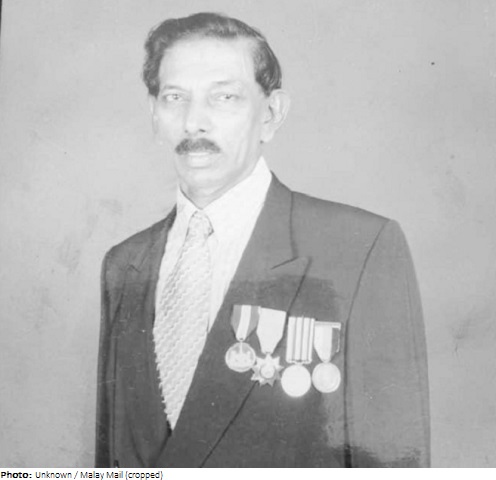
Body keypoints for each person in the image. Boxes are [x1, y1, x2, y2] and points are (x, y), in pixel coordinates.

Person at [95, 12, 430, 468]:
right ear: (154, 114)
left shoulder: (360, 249)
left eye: (224, 97)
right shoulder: (124, 264)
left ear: (271, 114)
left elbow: (394, 464)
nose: (194, 122)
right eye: (175, 97)